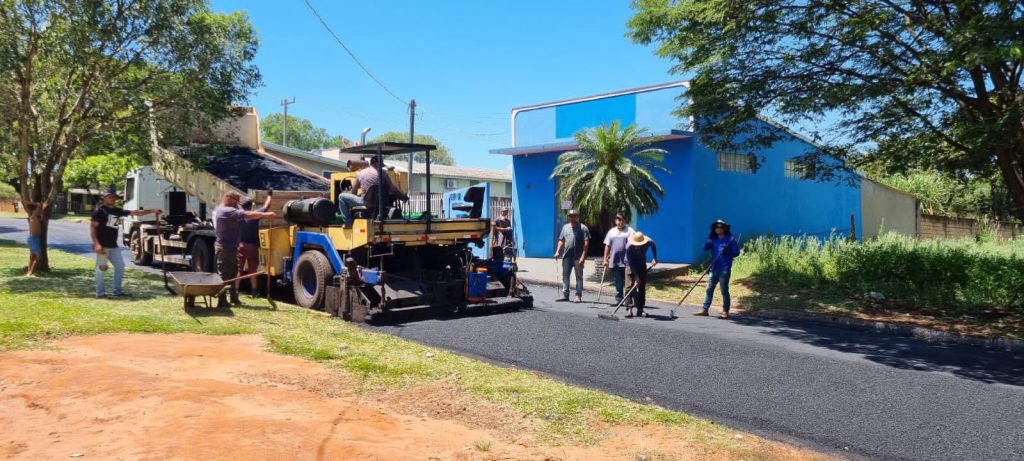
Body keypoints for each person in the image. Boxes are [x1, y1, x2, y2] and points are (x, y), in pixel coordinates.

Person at [91, 187, 161, 298]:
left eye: (113, 197)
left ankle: (117, 291)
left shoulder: (117, 211)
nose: (112, 198)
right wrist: (96, 244)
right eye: (109, 196)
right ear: (104, 198)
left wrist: (152, 210)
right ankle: (100, 293)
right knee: (101, 269)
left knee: (120, 266)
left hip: (113, 246)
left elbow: (136, 212)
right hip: (102, 246)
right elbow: (93, 228)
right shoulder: (99, 212)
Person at [214, 191, 275, 307]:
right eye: (235, 201)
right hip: (225, 248)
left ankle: (234, 298)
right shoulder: (227, 211)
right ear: (228, 198)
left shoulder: (230, 211)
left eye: (239, 202)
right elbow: (250, 214)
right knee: (224, 275)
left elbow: (248, 213)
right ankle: (222, 301)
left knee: (233, 274)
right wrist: (267, 213)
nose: (237, 204)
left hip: (233, 247)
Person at [337, 156, 407, 226]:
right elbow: (393, 189)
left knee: (341, 196)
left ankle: (348, 222)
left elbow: (353, 192)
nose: (381, 166)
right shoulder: (384, 173)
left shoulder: (361, 173)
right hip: (381, 203)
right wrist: (402, 197)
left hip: (366, 202)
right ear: (376, 163)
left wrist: (349, 193)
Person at [695, 219, 741, 319]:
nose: (718, 229)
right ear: (714, 229)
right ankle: (704, 309)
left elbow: (737, 252)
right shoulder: (713, 239)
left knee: (724, 290)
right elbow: (704, 248)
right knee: (709, 289)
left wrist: (728, 251)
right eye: (716, 227)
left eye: (721, 227)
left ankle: (725, 311)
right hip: (714, 268)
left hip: (724, 268)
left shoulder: (731, 239)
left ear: (725, 228)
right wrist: (707, 243)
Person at [237, 193, 272, 295]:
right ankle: (254, 291)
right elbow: (266, 207)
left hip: (241, 245)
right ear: (251, 205)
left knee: (239, 269)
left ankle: (236, 289)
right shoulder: (255, 215)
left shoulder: (238, 215)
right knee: (253, 270)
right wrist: (269, 195)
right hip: (252, 246)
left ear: (242, 205)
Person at [553, 209, 590, 303]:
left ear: (577, 217)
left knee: (579, 277)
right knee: (565, 276)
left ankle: (578, 295)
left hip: (578, 257)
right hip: (566, 257)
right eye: (570, 216)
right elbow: (561, 240)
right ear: (568, 217)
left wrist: (583, 257)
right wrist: (557, 251)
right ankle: (565, 294)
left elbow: (586, 244)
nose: (572, 217)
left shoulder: (583, 228)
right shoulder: (565, 227)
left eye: (574, 216)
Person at [602, 213, 634, 304]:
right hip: (615, 260)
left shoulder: (630, 231)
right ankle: (619, 299)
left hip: (627, 261)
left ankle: (629, 300)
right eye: (619, 220)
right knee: (618, 281)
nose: (621, 222)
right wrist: (605, 259)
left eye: (622, 220)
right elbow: (607, 246)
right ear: (616, 221)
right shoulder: (611, 232)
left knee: (629, 282)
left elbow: (635, 244)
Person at [625, 232, 658, 318]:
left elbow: (654, 245)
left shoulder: (648, 241)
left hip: (642, 265)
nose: (638, 246)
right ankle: (629, 308)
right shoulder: (629, 246)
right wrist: (636, 276)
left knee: (641, 287)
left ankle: (640, 309)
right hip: (630, 265)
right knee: (629, 286)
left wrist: (655, 258)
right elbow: (631, 263)